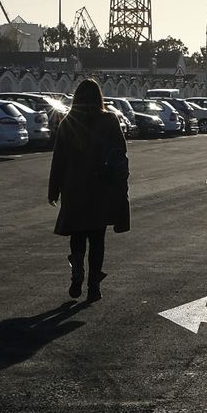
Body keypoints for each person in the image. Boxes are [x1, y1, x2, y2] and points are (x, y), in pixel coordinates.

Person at [47, 79, 130, 301]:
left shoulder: (68, 122)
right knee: (97, 238)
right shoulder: (109, 120)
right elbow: (120, 153)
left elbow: (59, 160)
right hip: (100, 188)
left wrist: (53, 190)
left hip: (73, 189)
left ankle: (76, 273)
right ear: (98, 97)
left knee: (77, 235)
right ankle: (94, 286)